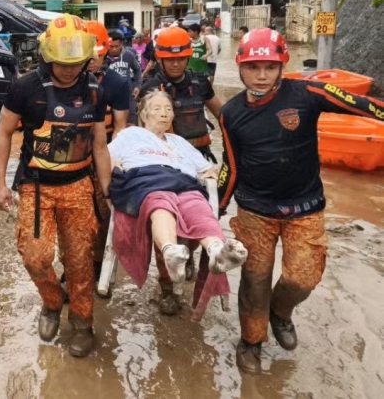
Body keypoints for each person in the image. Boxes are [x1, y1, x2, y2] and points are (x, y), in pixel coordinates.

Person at [219, 29, 384, 374]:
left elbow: (361, 105)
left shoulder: (307, 93)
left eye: (269, 67)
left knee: (302, 278)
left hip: (305, 207)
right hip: (253, 210)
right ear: (240, 67)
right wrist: (216, 208)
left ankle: (280, 312)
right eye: (253, 67)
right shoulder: (231, 113)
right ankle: (251, 341)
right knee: (254, 280)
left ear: (283, 65)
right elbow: (230, 166)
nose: (261, 76)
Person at [0, 14, 111, 358]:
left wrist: (107, 190)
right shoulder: (25, 87)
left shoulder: (94, 90)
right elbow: (3, 132)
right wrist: (0, 185)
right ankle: (51, 300)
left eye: (76, 63)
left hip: (78, 184)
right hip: (36, 185)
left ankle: (82, 323)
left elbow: (100, 145)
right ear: (47, 55)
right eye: (62, 63)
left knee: (79, 260)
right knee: (35, 257)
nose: (69, 69)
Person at [108, 91, 248, 318]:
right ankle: (170, 251)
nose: (164, 114)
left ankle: (216, 252)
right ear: (143, 114)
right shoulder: (130, 135)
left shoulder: (179, 142)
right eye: (156, 109)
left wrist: (211, 176)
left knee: (198, 205)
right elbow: (109, 157)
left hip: (182, 183)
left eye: (168, 109)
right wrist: (116, 167)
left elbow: (205, 169)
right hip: (148, 181)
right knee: (161, 203)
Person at [138, 26, 223, 313]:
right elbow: (141, 129)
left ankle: (192, 256)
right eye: (169, 59)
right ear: (160, 59)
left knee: (201, 218)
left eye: (181, 58)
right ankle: (167, 289)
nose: (175, 64)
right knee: (165, 224)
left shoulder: (200, 82)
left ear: (188, 57)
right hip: (166, 163)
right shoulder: (150, 86)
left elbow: (220, 113)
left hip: (198, 161)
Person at [86, 21, 130, 143]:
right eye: (88, 57)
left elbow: (119, 128)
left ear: (105, 52)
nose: (92, 62)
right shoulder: (68, 79)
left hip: (106, 145)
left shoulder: (117, 83)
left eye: (97, 56)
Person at [103, 30, 142, 124]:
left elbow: (137, 70)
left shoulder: (128, 55)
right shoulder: (103, 58)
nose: (114, 49)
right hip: (109, 96)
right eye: (111, 47)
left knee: (130, 123)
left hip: (128, 94)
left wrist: (137, 85)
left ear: (121, 44)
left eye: (117, 46)